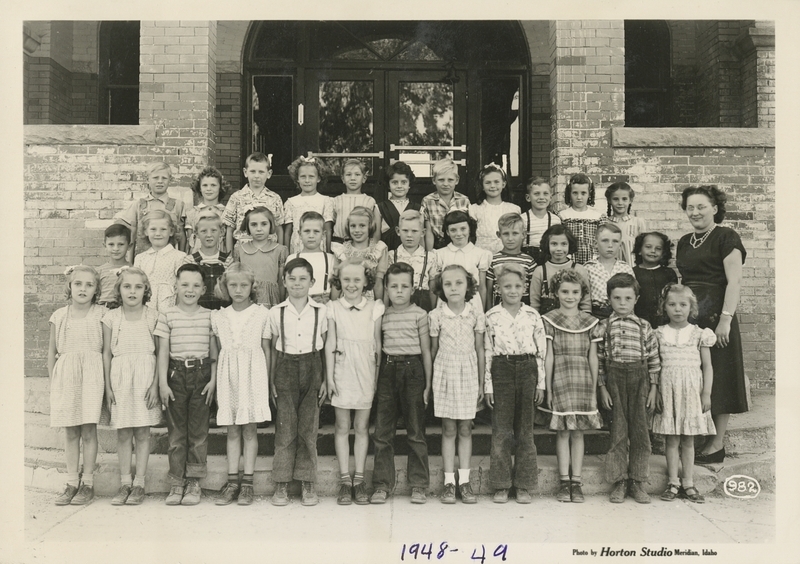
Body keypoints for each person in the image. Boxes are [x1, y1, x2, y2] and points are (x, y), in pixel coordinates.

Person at [675, 185, 747, 464]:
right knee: (696, 377)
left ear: (715, 208)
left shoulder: (726, 237)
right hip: (692, 316)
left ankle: (716, 444)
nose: (695, 212)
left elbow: (735, 281)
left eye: (701, 206)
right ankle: (700, 436)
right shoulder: (683, 241)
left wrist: (726, 320)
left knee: (721, 377)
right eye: (690, 207)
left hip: (718, 317)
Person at [155, 264, 218, 506]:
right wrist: (163, 382)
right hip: (175, 375)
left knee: (199, 433)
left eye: (195, 285)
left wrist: (213, 380)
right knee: (176, 434)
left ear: (203, 289)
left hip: (202, 375)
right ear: (176, 287)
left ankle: (194, 482)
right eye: (184, 285)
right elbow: (162, 352)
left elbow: (213, 351)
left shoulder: (209, 316)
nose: (189, 290)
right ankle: (176, 481)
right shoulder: (167, 315)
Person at [268, 258, 328, 507]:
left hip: (312, 367)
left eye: (303, 279)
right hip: (285, 368)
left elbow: (325, 347)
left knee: (308, 429)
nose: (297, 283)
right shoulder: (276, 312)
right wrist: (271, 379)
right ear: (284, 281)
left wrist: (324, 378)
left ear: (312, 282)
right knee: (285, 429)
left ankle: (307, 482)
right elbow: (271, 348)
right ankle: (281, 483)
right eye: (291, 278)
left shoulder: (321, 311)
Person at [370, 262, 432, 505]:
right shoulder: (381, 313)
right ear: (385, 287)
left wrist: (428, 384)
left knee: (416, 431)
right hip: (388, 369)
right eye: (393, 286)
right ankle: (382, 484)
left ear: (413, 288)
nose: (399, 291)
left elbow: (426, 351)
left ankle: (418, 484)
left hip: (413, 371)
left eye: (404, 286)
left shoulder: (420, 314)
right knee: (383, 431)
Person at [595, 273, 661, 504]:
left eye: (627, 298)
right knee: (618, 432)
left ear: (636, 299)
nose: (622, 303)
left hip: (640, 380)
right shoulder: (604, 327)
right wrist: (602, 388)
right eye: (617, 298)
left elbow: (654, 358)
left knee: (641, 432)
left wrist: (653, 388)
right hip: (614, 381)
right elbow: (600, 360)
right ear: (609, 299)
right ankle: (619, 481)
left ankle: (638, 481)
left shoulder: (644, 326)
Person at [325, 258, 385, 505]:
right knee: (341, 426)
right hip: (342, 367)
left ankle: (359, 480)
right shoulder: (333, 308)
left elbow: (378, 345)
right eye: (346, 279)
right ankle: (344, 480)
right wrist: (329, 377)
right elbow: (330, 342)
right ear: (338, 281)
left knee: (361, 427)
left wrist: (377, 378)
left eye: (356, 280)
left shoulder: (375, 307)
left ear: (366, 282)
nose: (351, 284)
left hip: (365, 369)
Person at [484, 264, 546, 504]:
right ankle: (501, 484)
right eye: (507, 286)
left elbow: (542, 352)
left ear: (525, 288)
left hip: (528, 369)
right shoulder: (491, 316)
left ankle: (524, 485)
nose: (512, 290)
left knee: (525, 431)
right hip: (502, 369)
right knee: (501, 430)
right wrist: (488, 386)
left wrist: (540, 383)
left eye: (517, 286)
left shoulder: (532, 315)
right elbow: (488, 352)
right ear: (498, 288)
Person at [211, 264, 272, 506]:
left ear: (252, 287)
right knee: (232, 430)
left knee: (249, 429)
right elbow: (216, 352)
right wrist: (215, 381)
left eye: (243, 285)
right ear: (225, 287)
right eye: (232, 285)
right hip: (228, 375)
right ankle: (232, 480)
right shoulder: (218, 316)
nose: (238, 290)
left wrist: (266, 381)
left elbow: (267, 350)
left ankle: (248, 482)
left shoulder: (262, 314)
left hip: (253, 374)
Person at [102, 267, 162, 505]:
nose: (133, 291)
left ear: (146, 290)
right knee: (124, 431)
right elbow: (106, 353)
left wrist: (155, 385)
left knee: (143, 432)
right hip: (120, 378)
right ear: (119, 289)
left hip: (146, 377)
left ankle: (139, 484)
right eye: (127, 286)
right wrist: (108, 387)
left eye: (138, 287)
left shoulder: (153, 316)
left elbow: (159, 353)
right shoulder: (111, 317)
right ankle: (125, 482)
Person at [651, 284, 716, 504]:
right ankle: (673, 482)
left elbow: (707, 366)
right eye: (672, 304)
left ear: (691, 307)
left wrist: (706, 393)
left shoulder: (700, 334)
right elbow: (655, 366)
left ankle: (688, 482)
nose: (677, 309)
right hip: (668, 392)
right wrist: (656, 391)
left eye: (683, 305)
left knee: (688, 440)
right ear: (664, 307)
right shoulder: (658, 334)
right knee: (671, 440)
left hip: (691, 393)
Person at [542, 268, 602, 503]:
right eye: (565, 291)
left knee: (578, 432)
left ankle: (576, 482)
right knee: (563, 431)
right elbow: (548, 357)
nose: (570, 296)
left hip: (583, 379)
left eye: (575, 292)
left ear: (582, 294)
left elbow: (594, 358)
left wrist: (595, 388)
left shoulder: (591, 322)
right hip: (560, 377)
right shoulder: (549, 319)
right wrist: (547, 387)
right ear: (556, 293)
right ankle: (563, 481)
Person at [429, 265, 486, 504]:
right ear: (441, 288)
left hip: (469, 372)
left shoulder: (475, 313)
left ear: (468, 286)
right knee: (448, 429)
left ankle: (465, 481)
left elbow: (480, 348)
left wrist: (482, 383)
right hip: (445, 372)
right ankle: (449, 482)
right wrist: (432, 383)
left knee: (465, 428)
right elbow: (433, 351)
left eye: (459, 283)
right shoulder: (436, 315)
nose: (453, 288)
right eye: (448, 284)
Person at [48, 265, 105, 506]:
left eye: (89, 285)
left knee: (88, 430)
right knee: (71, 430)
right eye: (78, 284)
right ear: (69, 287)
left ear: (96, 290)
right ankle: (72, 482)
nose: (83, 288)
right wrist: (54, 381)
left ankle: (88, 483)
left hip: (92, 374)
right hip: (66, 375)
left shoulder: (102, 314)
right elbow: (51, 352)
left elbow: (107, 351)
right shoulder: (59, 315)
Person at [113, 161, 187, 257]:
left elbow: (181, 235)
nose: (160, 181)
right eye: (155, 178)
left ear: (170, 180)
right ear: (147, 179)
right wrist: (131, 263)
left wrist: (183, 258)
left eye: (164, 178)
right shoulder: (138, 205)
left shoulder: (178, 205)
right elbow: (132, 236)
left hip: (169, 259)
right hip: (143, 259)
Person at [429, 210, 492, 309]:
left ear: (469, 229)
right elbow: (435, 287)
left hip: (472, 304)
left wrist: (482, 312)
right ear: (447, 232)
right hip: (446, 303)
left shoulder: (480, 254)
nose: (459, 234)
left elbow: (482, 287)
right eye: (453, 230)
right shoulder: (439, 254)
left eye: (463, 229)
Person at [222, 152, 285, 250]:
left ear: (269, 174)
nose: (256, 176)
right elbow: (230, 230)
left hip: (269, 252)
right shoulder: (236, 197)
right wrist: (230, 256)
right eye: (252, 171)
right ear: (245, 172)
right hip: (243, 252)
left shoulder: (275, 198)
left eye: (261, 172)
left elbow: (279, 229)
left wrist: (281, 253)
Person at [133, 210, 192, 312]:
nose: (158, 234)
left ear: (171, 232)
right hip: (145, 305)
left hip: (169, 305)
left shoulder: (179, 257)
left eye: (163, 229)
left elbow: (183, 285)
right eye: (153, 229)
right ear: (146, 231)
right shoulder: (140, 258)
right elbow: (135, 284)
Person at [232, 205, 287, 308]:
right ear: (247, 227)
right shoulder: (240, 250)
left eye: (264, 224)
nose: (259, 229)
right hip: (247, 300)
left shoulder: (279, 250)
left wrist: (282, 304)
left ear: (271, 225)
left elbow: (281, 282)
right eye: (253, 225)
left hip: (271, 301)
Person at [529, 224, 591, 315]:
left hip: (574, 321)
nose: (559, 249)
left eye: (564, 244)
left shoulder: (579, 269)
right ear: (547, 244)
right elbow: (535, 304)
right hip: (547, 321)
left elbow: (586, 302)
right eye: (554, 244)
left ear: (570, 245)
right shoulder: (540, 271)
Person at [332, 207, 388, 301]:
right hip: (346, 300)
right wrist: (333, 306)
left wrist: (380, 306)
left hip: (368, 301)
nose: (357, 230)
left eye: (362, 225)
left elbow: (378, 283)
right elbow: (336, 283)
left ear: (370, 226)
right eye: (353, 226)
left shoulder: (378, 250)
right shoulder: (341, 250)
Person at [385, 210, 435, 312]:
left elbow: (433, 290)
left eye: (414, 231)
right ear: (398, 231)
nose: (409, 235)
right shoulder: (391, 256)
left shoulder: (430, 257)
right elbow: (386, 287)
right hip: (396, 304)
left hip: (422, 305)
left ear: (423, 233)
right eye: (405, 230)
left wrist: (434, 311)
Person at [584, 223, 635, 320]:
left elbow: (632, 295)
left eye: (615, 241)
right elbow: (584, 298)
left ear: (620, 245)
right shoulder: (588, 268)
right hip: (596, 314)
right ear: (595, 244)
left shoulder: (626, 268)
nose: (610, 245)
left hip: (622, 313)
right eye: (605, 241)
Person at [283, 155, 334, 254]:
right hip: (297, 249)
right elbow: (288, 232)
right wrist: (287, 255)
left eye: (311, 176)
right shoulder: (291, 202)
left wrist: (328, 253)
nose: (307, 180)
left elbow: (327, 230)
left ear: (318, 178)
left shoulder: (325, 201)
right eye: (303, 176)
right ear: (297, 178)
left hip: (318, 247)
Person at [485, 213, 536, 308]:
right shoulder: (494, 260)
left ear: (523, 234)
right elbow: (489, 291)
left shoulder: (529, 261)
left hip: (522, 310)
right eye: (506, 234)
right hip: (499, 309)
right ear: (499, 235)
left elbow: (533, 292)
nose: (510, 238)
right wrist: (488, 311)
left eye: (515, 233)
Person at [286, 211, 338, 304]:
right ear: (299, 234)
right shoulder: (292, 258)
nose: (311, 236)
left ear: (323, 235)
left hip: (324, 303)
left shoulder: (331, 259)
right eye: (307, 231)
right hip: (298, 303)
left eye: (316, 231)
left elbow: (335, 287)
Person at [469, 163, 521, 253]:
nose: (492, 186)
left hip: (506, 254)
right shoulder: (475, 209)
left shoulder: (513, 209)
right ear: (482, 186)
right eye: (488, 182)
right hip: (481, 255)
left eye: (496, 182)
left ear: (503, 184)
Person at [420, 158, 470, 250]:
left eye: (450, 180)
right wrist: (430, 254)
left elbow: (467, 229)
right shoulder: (427, 201)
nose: (445, 184)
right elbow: (428, 231)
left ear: (457, 180)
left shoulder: (464, 200)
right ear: (434, 180)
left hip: (459, 244)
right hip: (437, 246)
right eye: (441, 180)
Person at [331, 158, 381, 250]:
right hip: (339, 245)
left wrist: (373, 248)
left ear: (364, 178)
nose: (352, 178)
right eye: (348, 175)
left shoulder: (369, 201)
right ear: (343, 179)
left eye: (357, 174)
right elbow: (330, 224)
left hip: (362, 246)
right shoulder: (336, 200)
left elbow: (375, 228)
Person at [632, 232, 677, 330]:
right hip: (639, 322)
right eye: (648, 247)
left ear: (663, 253)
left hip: (665, 322)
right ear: (639, 250)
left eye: (658, 249)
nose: (653, 251)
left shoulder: (669, 273)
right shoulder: (632, 273)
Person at [190, 211, 233, 310]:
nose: (209, 235)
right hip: (198, 311)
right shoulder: (190, 260)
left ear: (221, 232)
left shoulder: (228, 261)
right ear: (196, 233)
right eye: (203, 231)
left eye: (213, 230)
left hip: (223, 310)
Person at [558, 173, 603, 264]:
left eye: (583, 193)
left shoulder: (597, 216)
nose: (579, 197)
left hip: (593, 260)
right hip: (570, 259)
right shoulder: (563, 216)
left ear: (589, 194)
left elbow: (603, 240)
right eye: (575, 193)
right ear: (569, 194)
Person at [377, 161, 420, 251]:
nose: (399, 186)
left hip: (411, 253)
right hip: (387, 252)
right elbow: (376, 236)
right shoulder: (379, 208)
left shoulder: (418, 208)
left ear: (409, 185)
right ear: (388, 185)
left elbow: (421, 237)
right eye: (395, 182)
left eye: (404, 182)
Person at [185, 166, 228, 253]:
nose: (209, 189)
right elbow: (189, 240)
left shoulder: (226, 212)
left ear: (220, 187)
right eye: (205, 185)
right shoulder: (193, 212)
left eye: (213, 185)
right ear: (200, 188)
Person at [603, 181, 647, 267]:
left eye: (624, 199)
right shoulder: (605, 223)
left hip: (633, 268)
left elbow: (643, 248)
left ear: (630, 200)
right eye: (615, 199)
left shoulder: (638, 222)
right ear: (609, 200)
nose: (620, 203)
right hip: (611, 269)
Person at [522, 177, 561, 264]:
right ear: (528, 197)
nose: (541, 197)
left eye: (545, 194)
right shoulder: (523, 219)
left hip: (549, 260)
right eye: (537, 194)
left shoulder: (555, 220)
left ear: (550, 197)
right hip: (528, 261)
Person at [97, 224, 132, 308]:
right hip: (103, 309)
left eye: (121, 244)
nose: (116, 248)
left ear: (129, 246)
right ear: (105, 245)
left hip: (125, 310)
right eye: (111, 244)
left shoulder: (133, 270)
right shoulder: (99, 271)